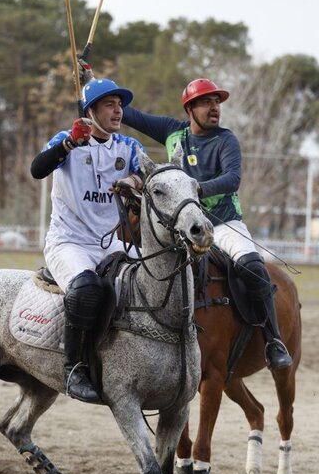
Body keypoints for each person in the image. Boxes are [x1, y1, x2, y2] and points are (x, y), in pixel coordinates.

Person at [113, 75, 292, 370]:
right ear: (189, 109)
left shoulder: (226, 139)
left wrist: (197, 188)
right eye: (206, 102)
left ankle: (273, 341)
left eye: (216, 102)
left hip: (223, 224)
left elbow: (233, 178)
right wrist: (91, 80)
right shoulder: (172, 132)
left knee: (254, 268)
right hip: (180, 227)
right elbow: (129, 113)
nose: (214, 108)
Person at [31, 78, 145, 403]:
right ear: (90, 110)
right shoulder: (67, 140)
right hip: (68, 242)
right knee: (87, 288)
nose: (118, 110)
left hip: (108, 243)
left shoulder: (129, 147)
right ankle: (73, 369)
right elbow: (37, 169)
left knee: (152, 276)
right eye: (110, 104)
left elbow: (147, 174)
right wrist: (68, 145)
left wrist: (132, 180)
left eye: (120, 104)